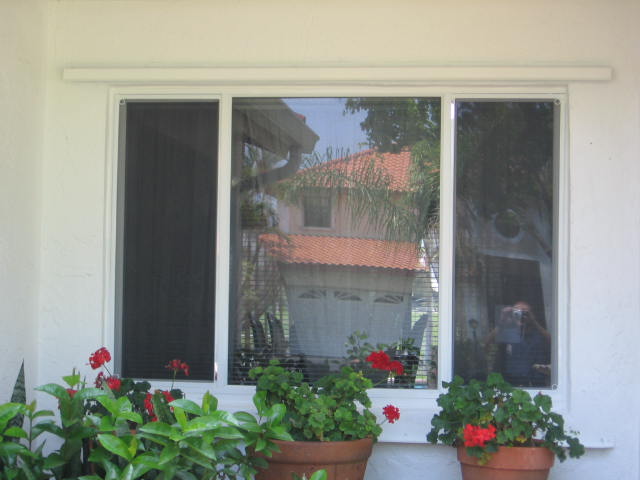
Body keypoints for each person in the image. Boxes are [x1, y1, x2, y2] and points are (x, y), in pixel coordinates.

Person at [485, 301, 551, 387]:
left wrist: (534, 321)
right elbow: (486, 344)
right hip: (511, 381)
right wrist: (502, 321)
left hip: (536, 382)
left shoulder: (538, 334)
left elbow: (554, 344)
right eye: (517, 313)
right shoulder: (507, 333)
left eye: (525, 313)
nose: (521, 316)